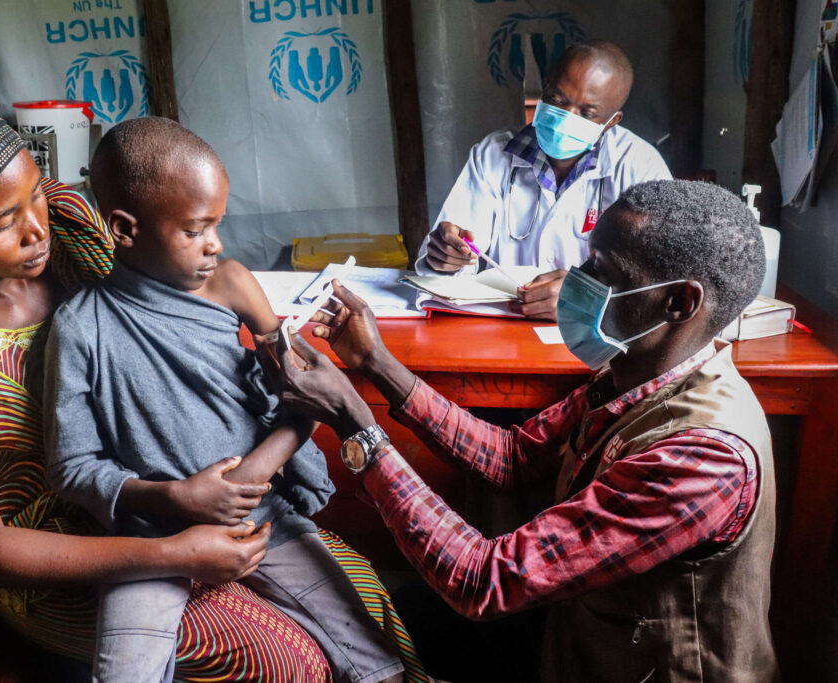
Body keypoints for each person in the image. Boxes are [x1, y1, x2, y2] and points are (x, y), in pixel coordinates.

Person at [0, 73, 338, 681]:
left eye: (35, 192)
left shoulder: (71, 226)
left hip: (172, 489)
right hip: (58, 563)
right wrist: (168, 553)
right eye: (2, 223)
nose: (37, 228)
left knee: (363, 603)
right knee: (288, 660)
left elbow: (170, 301)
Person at [263, 180, 777, 681]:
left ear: (680, 303)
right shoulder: (631, 375)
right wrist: (377, 363)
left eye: (601, 271)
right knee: (390, 615)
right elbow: (511, 458)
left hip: (637, 665)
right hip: (579, 629)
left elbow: (481, 581)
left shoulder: (703, 457)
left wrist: (358, 426)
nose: (572, 280)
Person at [44, 117, 422, 683]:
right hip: (150, 538)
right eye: (195, 230)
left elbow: (303, 398)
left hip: (263, 517)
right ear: (124, 229)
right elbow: (71, 466)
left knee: (376, 659)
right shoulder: (79, 329)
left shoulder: (233, 284)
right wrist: (177, 497)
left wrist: (250, 478)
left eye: (218, 224)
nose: (215, 244)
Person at [416, 40, 671, 321]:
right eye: (558, 100)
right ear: (545, 90)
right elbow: (453, 248)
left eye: (587, 113)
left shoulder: (639, 166)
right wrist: (447, 256)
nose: (565, 118)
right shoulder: (492, 153)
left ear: (612, 121)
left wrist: (589, 296)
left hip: (595, 332)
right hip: (505, 327)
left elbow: (663, 278)